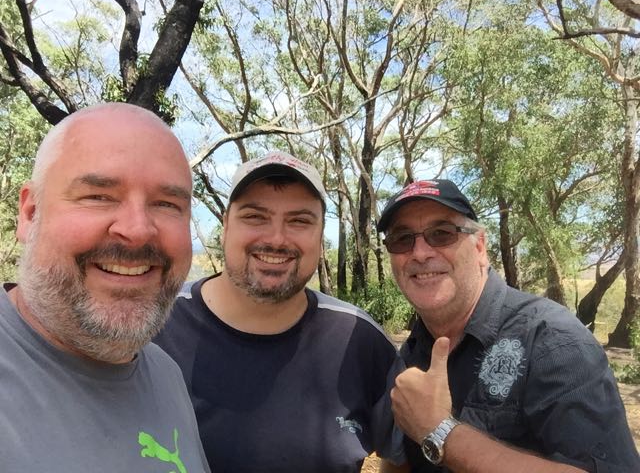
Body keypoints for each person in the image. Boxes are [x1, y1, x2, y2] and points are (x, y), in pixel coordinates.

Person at [154, 152, 406, 473]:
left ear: (320, 236)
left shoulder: (358, 340)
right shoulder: (155, 325)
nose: (276, 239)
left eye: (299, 221)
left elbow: (400, 454)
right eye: (255, 217)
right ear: (226, 225)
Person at [376, 179, 640, 473]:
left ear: (480, 246)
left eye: (441, 234)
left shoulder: (553, 341)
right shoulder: (412, 351)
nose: (420, 253)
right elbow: (399, 459)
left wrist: (441, 433)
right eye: (402, 239)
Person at [1, 103, 211, 473]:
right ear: (30, 213)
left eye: (166, 204)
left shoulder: (165, 374)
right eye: (98, 196)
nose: (137, 230)